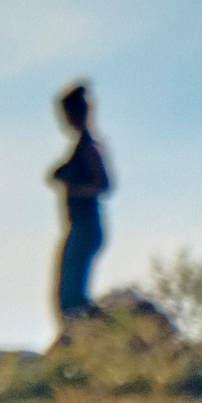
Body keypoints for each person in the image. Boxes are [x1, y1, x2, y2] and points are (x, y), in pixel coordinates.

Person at [50, 81, 112, 323]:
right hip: (79, 227)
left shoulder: (89, 147)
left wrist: (74, 190)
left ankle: (104, 330)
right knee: (68, 292)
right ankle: (86, 335)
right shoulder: (79, 148)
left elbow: (103, 184)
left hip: (86, 227)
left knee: (71, 295)